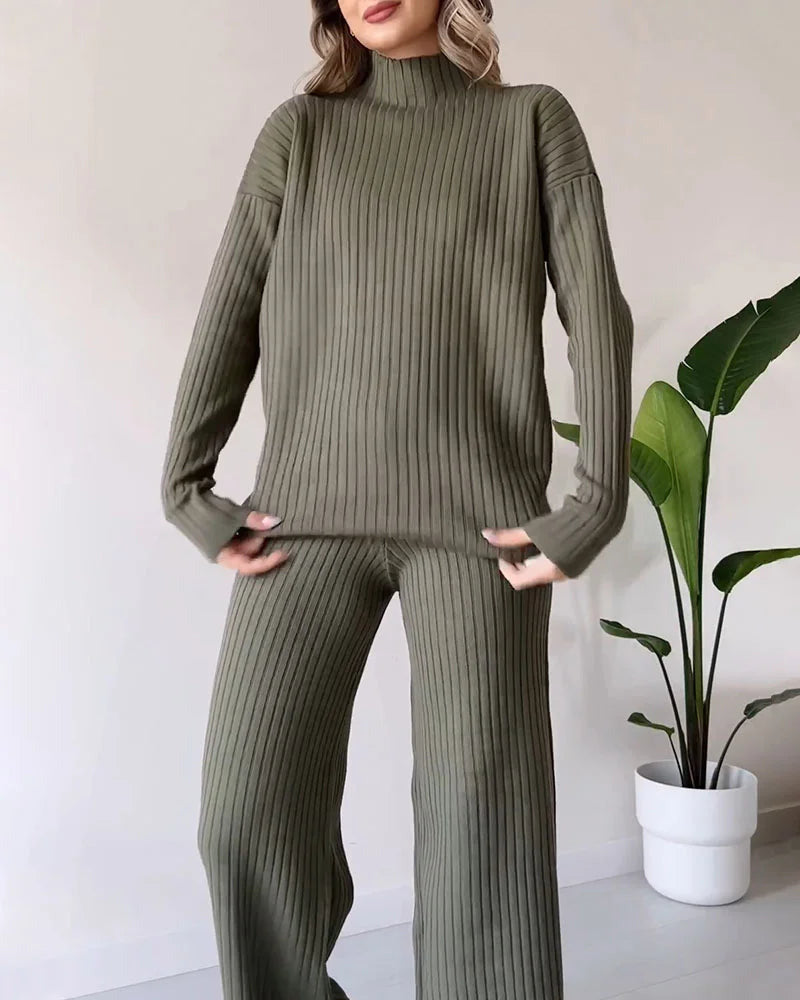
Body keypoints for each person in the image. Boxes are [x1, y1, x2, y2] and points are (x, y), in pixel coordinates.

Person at [160, 1, 634, 997]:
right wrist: (187, 485)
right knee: (245, 814)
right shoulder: (300, 132)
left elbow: (595, 312)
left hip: (479, 531)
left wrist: (592, 505)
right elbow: (230, 305)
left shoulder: (530, 121)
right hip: (303, 522)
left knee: (479, 829)